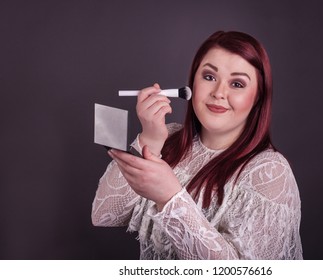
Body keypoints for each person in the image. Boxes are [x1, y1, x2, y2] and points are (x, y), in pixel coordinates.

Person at [91, 31, 303, 260]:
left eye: (237, 83)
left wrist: (171, 198)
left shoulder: (270, 173)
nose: (219, 93)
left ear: (258, 97)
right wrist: (151, 139)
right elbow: (104, 215)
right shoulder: (169, 137)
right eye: (209, 77)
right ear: (192, 83)